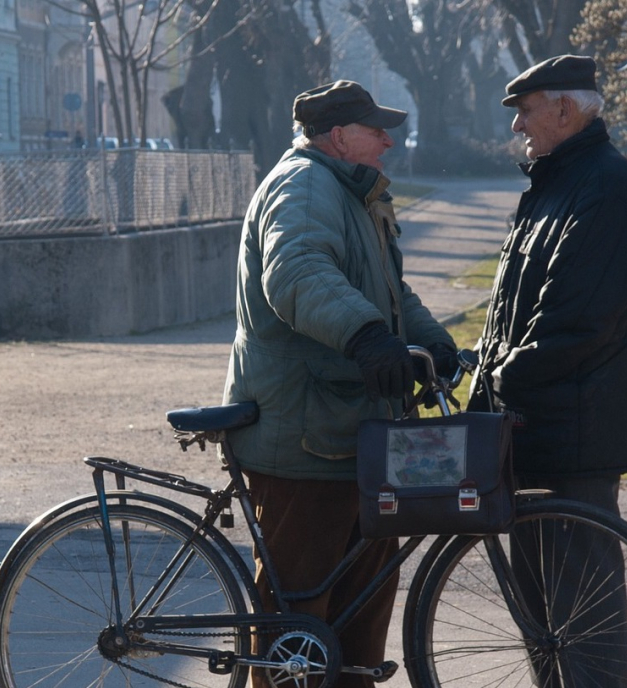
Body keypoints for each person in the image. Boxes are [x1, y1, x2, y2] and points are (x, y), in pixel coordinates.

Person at [222, 79, 457, 687]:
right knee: (298, 609)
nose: (388, 139)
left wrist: (433, 343)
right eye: (376, 129)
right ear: (337, 136)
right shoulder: (302, 187)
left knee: (363, 597)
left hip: (352, 431)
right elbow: (297, 273)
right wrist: (367, 338)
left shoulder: (353, 192)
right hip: (305, 436)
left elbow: (390, 291)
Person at [467, 55, 627, 685]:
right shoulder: (554, 182)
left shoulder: (605, 184)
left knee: (582, 626)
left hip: (574, 435)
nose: (518, 124)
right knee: (545, 627)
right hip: (534, 430)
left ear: (566, 109)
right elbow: (511, 310)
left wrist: (500, 379)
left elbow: (575, 320)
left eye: (526, 109)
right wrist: (483, 368)